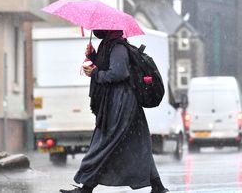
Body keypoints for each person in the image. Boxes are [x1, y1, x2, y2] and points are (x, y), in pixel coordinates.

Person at [60, 30, 169, 193]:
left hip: (121, 103)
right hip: (121, 102)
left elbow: (119, 73)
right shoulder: (108, 44)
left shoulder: (118, 46)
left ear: (108, 29)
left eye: (99, 28)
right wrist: (93, 56)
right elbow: (107, 66)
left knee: (103, 142)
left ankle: (86, 188)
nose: (96, 31)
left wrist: (95, 73)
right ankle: (157, 185)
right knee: (138, 144)